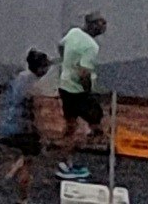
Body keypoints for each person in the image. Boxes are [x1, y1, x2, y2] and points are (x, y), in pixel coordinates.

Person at [0, 48, 55, 195]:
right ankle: (22, 195)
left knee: (25, 155)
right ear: (39, 69)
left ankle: (8, 176)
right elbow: (34, 114)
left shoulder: (21, 77)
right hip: (19, 127)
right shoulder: (33, 86)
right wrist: (41, 133)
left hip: (6, 121)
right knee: (29, 158)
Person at [56, 12, 108, 177]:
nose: (104, 27)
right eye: (101, 23)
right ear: (92, 24)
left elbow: (61, 46)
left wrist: (68, 63)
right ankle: (73, 151)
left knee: (71, 125)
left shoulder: (73, 32)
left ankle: (65, 162)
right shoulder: (91, 46)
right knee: (96, 126)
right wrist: (88, 91)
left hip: (65, 86)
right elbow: (84, 72)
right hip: (79, 91)